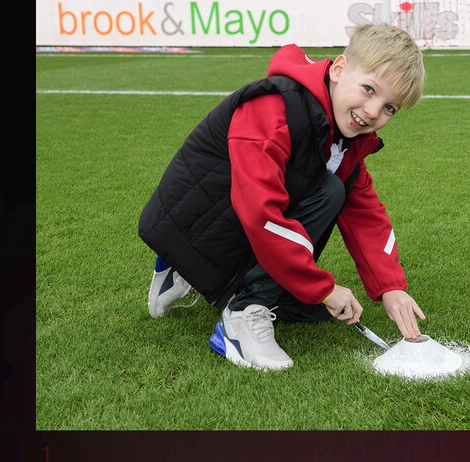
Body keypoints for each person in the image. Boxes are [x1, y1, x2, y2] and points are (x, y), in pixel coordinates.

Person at [138, 24, 427, 371]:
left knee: (334, 190)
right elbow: (260, 212)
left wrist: (390, 287)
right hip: (189, 227)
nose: (372, 111)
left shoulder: (341, 137)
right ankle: (242, 312)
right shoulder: (274, 106)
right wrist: (321, 287)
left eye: (389, 108)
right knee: (327, 190)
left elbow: (366, 215)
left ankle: (259, 288)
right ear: (338, 69)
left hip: (224, 223)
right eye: (368, 89)